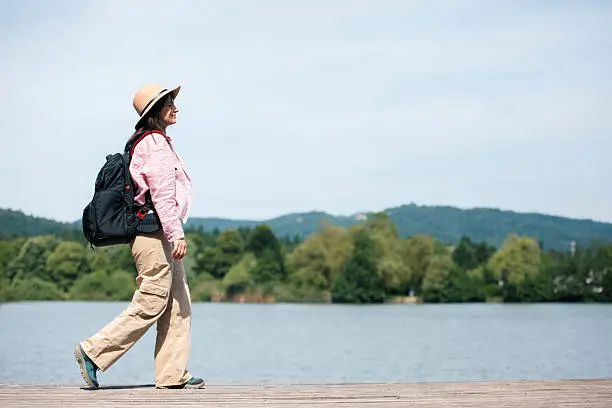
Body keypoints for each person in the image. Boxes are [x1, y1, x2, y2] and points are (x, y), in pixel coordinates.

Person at [73, 84, 204, 390]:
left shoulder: (149, 141)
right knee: (152, 301)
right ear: (155, 110)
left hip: (159, 233)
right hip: (154, 234)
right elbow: (162, 194)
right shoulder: (154, 143)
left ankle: (172, 374)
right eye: (169, 103)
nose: (175, 107)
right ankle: (93, 352)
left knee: (178, 303)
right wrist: (176, 233)